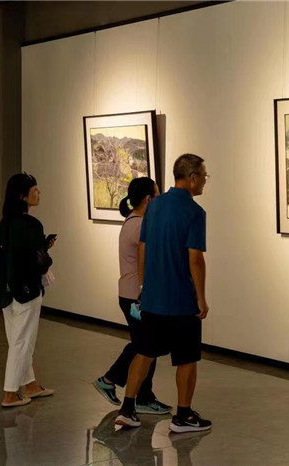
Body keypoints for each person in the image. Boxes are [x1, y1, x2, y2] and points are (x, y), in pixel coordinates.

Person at [116, 154, 212, 433]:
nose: (205, 180)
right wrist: (201, 298)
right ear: (192, 177)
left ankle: (128, 408)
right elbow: (195, 259)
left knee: (144, 353)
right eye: (204, 175)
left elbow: (142, 247)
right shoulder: (195, 213)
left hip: (154, 298)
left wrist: (145, 285)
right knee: (187, 358)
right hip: (181, 300)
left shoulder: (154, 206)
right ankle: (182, 415)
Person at [92, 177, 171, 415]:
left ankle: (144, 396)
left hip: (132, 293)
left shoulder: (134, 221)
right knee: (144, 345)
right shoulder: (139, 225)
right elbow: (150, 260)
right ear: (149, 199)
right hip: (136, 295)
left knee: (149, 345)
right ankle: (109, 379)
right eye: (157, 196)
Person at [0, 173, 55, 407]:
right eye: (35, 190)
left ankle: (30, 385)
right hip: (27, 292)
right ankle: (10, 393)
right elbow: (39, 261)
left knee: (19, 340)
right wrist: (46, 253)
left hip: (7, 292)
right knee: (22, 342)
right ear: (22, 196)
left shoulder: (4, 224)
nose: (38, 193)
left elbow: (9, 258)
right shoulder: (31, 225)